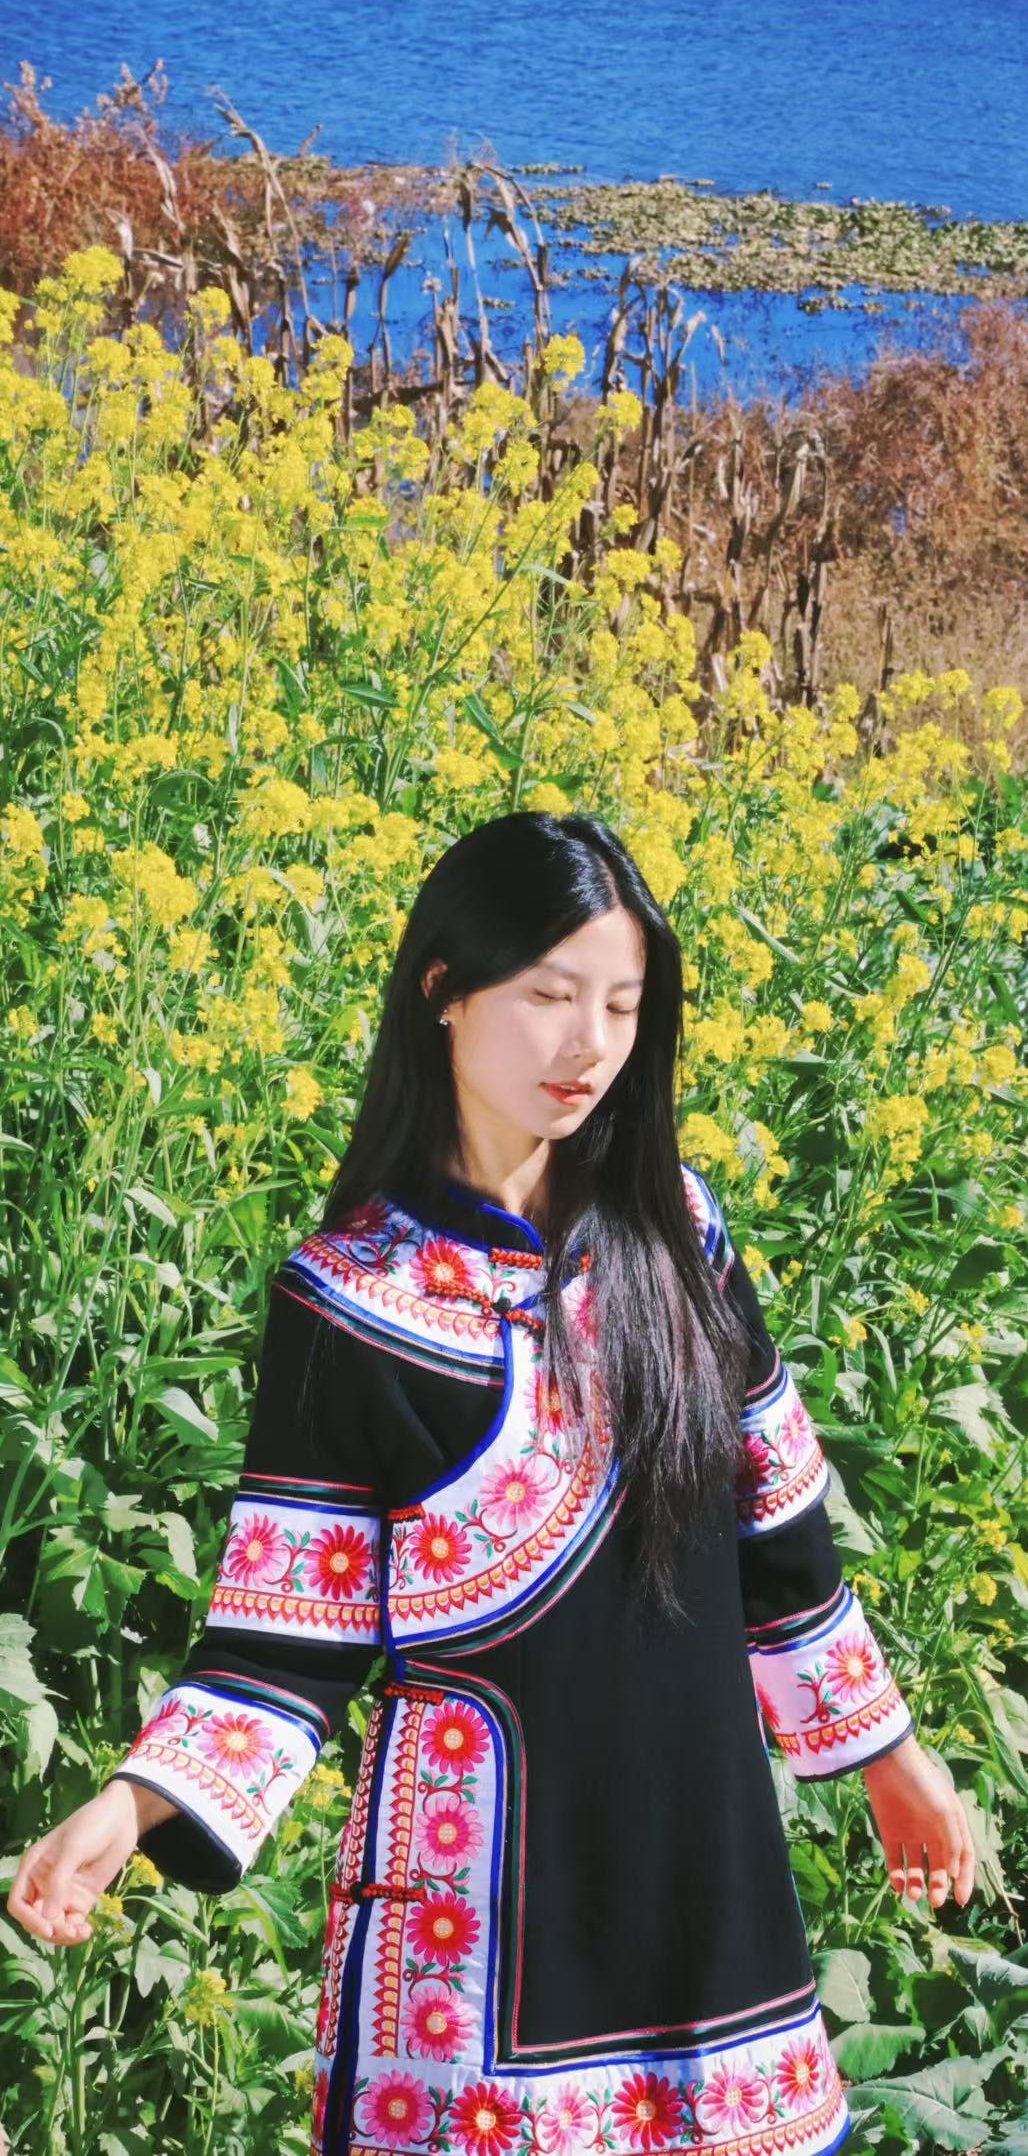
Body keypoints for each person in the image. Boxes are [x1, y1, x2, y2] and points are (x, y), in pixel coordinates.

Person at [7, 809, 974, 2154]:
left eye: (622, 1006)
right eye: (550, 996)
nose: (589, 1046)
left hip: (708, 1898)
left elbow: (780, 1528)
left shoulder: (681, 1234)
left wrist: (890, 1757)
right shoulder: (348, 1300)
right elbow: (287, 1640)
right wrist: (132, 1801)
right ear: (445, 989)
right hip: (476, 1939)